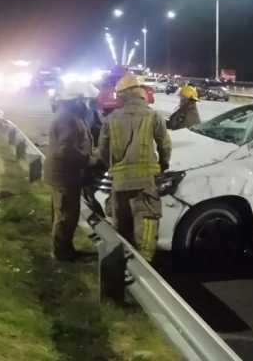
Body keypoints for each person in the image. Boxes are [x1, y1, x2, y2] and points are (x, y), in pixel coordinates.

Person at [96, 74, 172, 261]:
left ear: (122, 95)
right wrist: (163, 165)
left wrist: (113, 168)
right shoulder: (153, 116)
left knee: (121, 227)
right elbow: (165, 146)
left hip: (120, 183)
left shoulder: (111, 119)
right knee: (146, 225)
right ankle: (144, 270)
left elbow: (103, 151)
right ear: (140, 93)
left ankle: (121, 268)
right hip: (146, 183)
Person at [44, 82, 99, 261]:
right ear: (77, 100)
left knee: (63, 214)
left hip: (64, 174)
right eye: (85, 100)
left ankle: (64, 249)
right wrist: (88, 160)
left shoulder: (70, 115)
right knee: (66, 215)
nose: (87, 104)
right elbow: (65, 150)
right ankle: (62, 254)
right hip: (65, 176)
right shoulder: (67, 118)